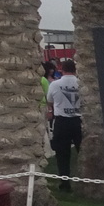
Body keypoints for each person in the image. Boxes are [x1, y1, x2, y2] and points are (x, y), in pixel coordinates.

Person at [45, 57, 83, 191]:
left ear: (62, 69)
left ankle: (65, 183)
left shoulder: (55, 84)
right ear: (75, 69)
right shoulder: (81, 83)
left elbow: (49, 100)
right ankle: (86, 182)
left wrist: (52, 109)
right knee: (83, 152)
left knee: (62, 155)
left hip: (62, 121)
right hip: (78, 121)